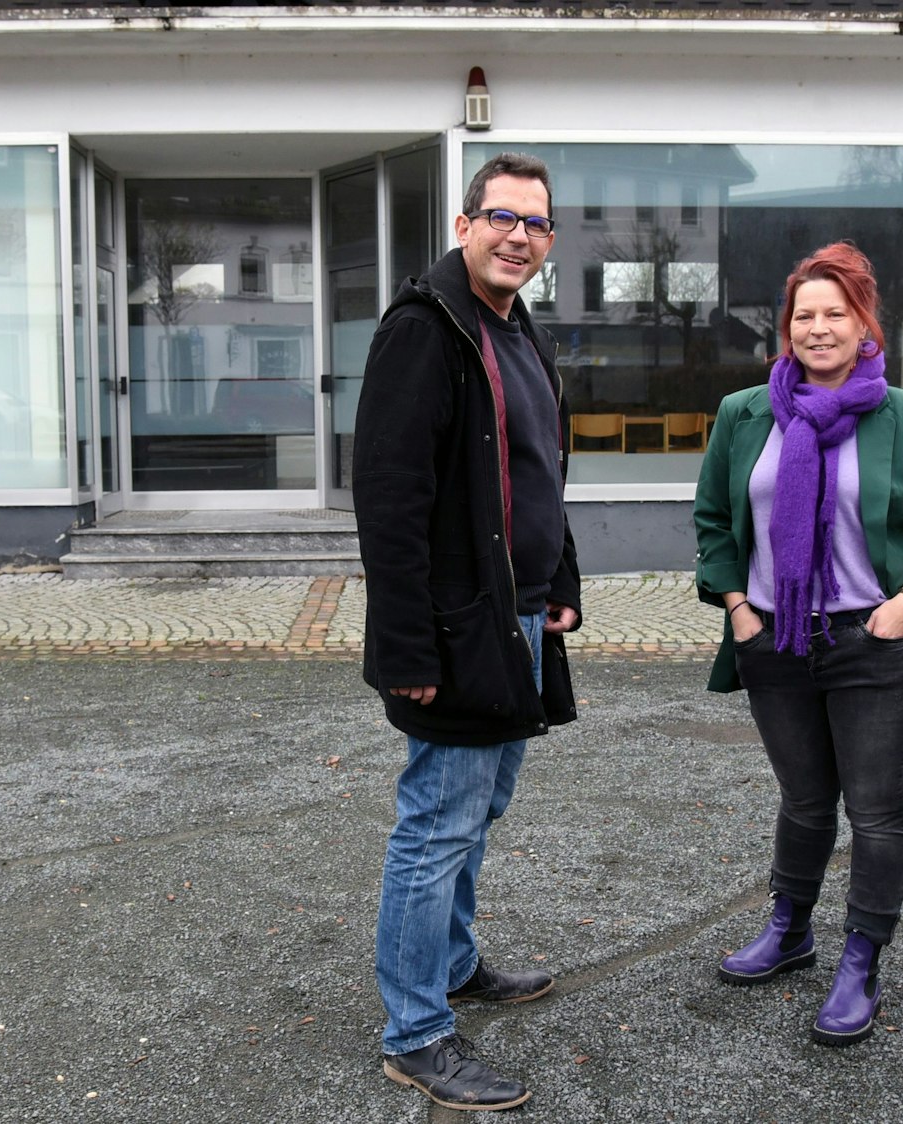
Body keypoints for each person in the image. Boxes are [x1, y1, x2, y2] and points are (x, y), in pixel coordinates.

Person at [693, 241, 903, 1048]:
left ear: (862, 323)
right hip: (774, 640)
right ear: (787, 327)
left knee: (876, 811)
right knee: (805, 800)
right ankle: (791, 930)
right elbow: (714, 519)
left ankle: (861, 958)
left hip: (872, 641)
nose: (817, 329)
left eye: (834, 314)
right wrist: (740, 607)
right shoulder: (746, 412)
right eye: (803, 315)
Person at [353, 152, 581, 1113]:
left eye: (534, 223)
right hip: (453, 631)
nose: (517, 235)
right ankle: (415, 1032)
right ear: (463, 224)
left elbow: (538, 470)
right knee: (436, 824)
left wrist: (558, 582)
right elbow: (391, 501)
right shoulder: (426, 332)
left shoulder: (519, 332)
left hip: (519, 617)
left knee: (477, 815)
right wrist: (406, 648)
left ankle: (449, 963)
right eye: (500, 216)